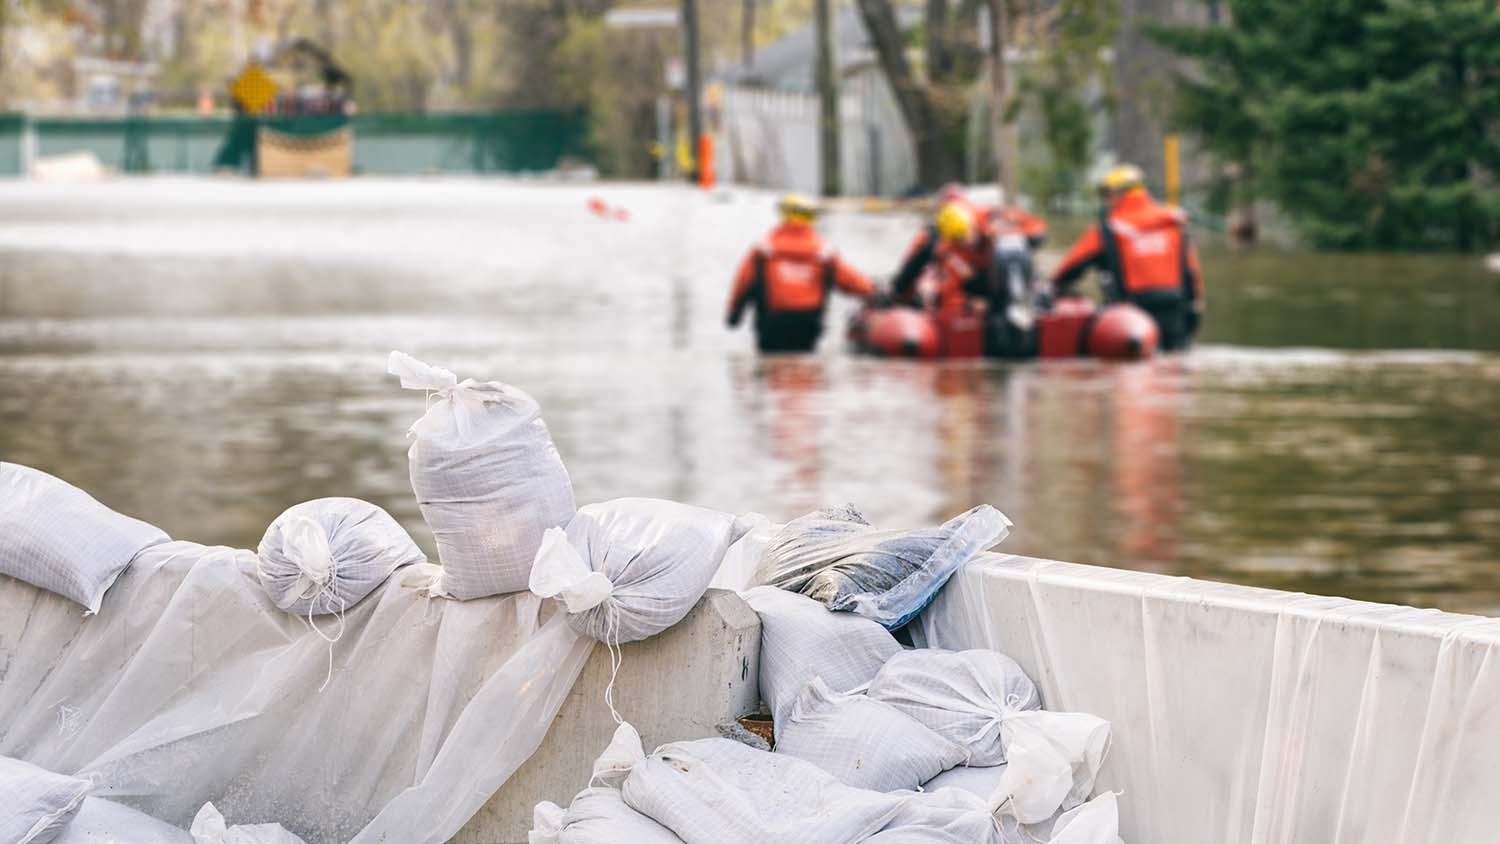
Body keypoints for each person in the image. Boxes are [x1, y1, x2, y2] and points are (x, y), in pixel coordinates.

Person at [1049, 164, 1204, 350]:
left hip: (1130, 317)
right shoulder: (1173, 223)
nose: (1106, 201)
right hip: (1176, 310)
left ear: (1116, 194)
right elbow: (1192, 273)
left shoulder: (1108, 229)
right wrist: (1195, 309)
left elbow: (1068, 269)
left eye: (1106, 195)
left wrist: (1052, 288)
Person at [726, 194, 876, 352]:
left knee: (770, 368)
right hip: (808, 325)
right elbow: (850, 281)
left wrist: (734, 316)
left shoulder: (764, 249)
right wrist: (874, 292)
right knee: (806, 368)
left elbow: (743, 283)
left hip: (771, 325)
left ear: (784, 216)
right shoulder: (824, 252)